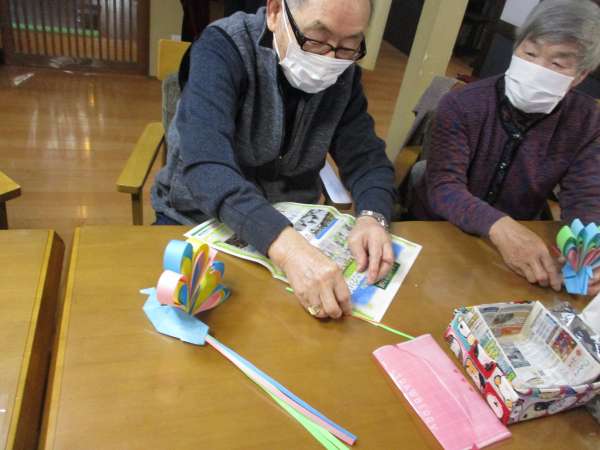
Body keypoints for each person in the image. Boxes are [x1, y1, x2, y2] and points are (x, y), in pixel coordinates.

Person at [152, 0, 396, 319]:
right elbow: (206, 166)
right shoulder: (222, 48)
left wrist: (373, 216)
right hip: (199, 222)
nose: (331, 59)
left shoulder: (344, 75)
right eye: (316, 39)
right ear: (275, 12)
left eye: (349, 45)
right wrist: (288, 249)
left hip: (294, 229)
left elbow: (367, 158)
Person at [408, 0, 600, 295]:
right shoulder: (462, 104)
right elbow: (444, 186)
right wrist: (499, 226)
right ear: (516, 47)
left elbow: (586, 196)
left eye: (557, 64)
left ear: (581, 75)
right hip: (443, 228)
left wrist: (587, 249)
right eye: (530, 53)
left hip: (518, 240)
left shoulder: (587, 121)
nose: (537, 69)